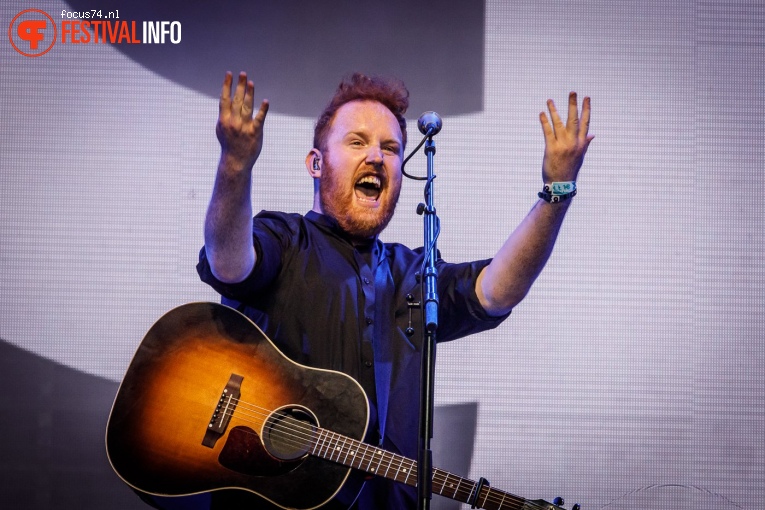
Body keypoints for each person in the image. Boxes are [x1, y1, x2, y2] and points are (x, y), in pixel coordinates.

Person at [197, 71, 593, 509]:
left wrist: (557, 192)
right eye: (357, 142)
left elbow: (496, 292)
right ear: (316, 162)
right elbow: (228, 262)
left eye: (390, 148)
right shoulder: (285, 239)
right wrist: (235, 165)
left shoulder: (414, 273)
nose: (376, 158)